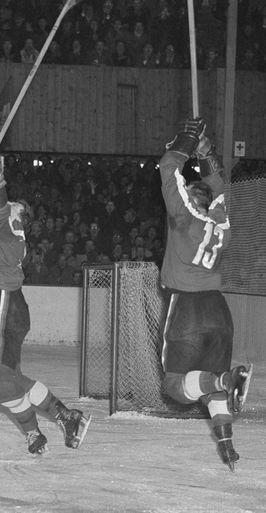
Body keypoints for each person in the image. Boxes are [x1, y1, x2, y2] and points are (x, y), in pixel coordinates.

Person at [0, 150, 91, 455]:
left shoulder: (11, 231)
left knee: (4, 382)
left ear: (18, 220)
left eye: (14, 206)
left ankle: (65, 416)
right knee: (3, 384)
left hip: (2, 301)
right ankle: (39, 431)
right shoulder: (0, 227)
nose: (8, 206)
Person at [157, 118, 252, 471]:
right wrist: (206, 152)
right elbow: (219, 186)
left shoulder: (183, 216)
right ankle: (227, 445)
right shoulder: (221, 224)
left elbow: (168, 166)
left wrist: (187, 138)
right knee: (210, 385)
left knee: (173, 386)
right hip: (218, 310)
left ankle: (228, 380)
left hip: (187, 307)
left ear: (190, 199)